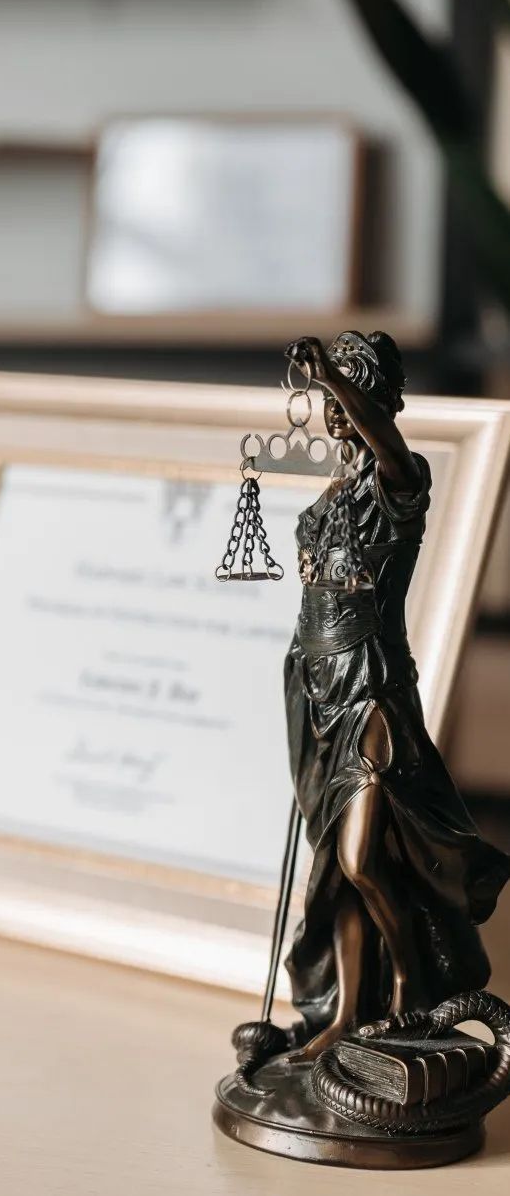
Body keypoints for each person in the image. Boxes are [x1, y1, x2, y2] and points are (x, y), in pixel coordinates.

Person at [281, 331, 509, 1057]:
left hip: (372, 690)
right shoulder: (330, 498)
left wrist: (335, 382)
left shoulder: (399, 484)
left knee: (361, 858)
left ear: (380, 402)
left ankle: (412, 985)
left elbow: (383, 438)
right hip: (316, 692)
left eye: (352, 395)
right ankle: (349, 1012)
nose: (336, 411)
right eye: (330, 397)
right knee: (331, 872)